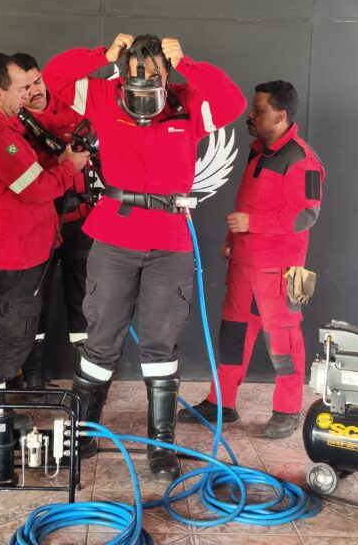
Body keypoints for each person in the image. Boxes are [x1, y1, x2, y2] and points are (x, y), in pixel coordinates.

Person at [43, 34, 245, 480]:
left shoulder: (187, 103)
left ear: (166, 74)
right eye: (136, 74)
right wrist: (102, 56)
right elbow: (55, 77)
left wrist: (187, 62)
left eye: (154, 74)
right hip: (115, 234)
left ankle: (161, 445)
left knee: (160, 344)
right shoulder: (103, 96)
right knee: (101, 340)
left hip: (169, 239)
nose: (144, 83)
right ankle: (83, 434)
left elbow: (232, 102)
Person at [179, 81, 324, 439]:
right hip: (244, 265)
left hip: (280, 271)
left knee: (284, 341)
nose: (251, 115)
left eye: (259, 110)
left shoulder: (302, 159)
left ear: (280, 115)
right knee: (233, 336)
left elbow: (306, 214)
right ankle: (221, 403)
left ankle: (287, 410)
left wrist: (251, 224)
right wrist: (233, 239)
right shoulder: (258, 152)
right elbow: (248, 202)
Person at [0, 53, 89, 394]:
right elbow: (37, 190)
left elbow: (26, 176)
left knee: (0, 316)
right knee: (16, 330)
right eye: (20, 89)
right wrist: (69, 167)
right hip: (19, 248)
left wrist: (57, 161)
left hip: (11, 245)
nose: (27, 95)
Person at [12, 52, 93, 390]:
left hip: (81, 221)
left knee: (85, 302)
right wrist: (60, 163)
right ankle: (34, 382)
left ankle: (88, 384)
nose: (34, 91)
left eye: (37, 82)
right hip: (39, 223)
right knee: (36, 302)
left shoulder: (72, 103)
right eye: (25, 87)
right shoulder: (13, 124)